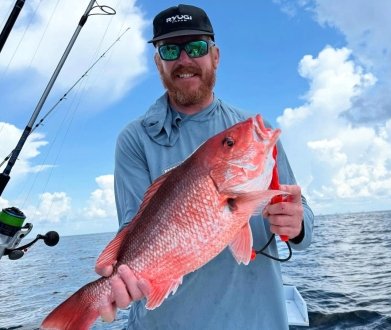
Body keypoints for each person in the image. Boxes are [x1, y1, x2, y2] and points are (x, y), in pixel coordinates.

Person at [96, 4, 314, 330]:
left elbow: (304, 221)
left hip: (257, 320)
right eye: (170, 49)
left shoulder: (254, 134)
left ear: (215, 56)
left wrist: (296, 226)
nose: (184, 60)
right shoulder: (134, 139)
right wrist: (123, 282)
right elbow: (133, 228)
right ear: (159, 62)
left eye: (196, 47)